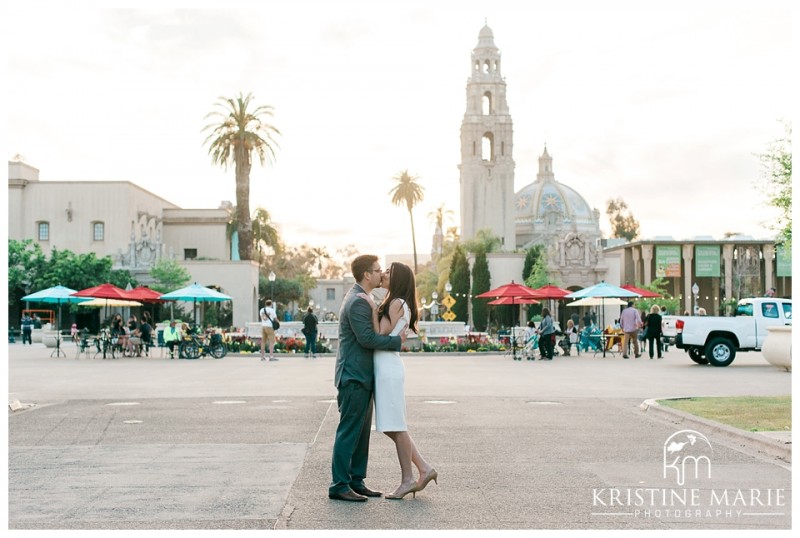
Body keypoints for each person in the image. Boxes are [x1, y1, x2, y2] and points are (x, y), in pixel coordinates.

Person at [329, 255, 405, 503]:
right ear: (366, 275)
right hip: (353, 376)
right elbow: (367, 339)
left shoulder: (364, 298)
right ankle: (340, 484)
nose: (381, 273)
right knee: (349, 431)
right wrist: (397, 342)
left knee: (362, 433)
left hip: (361, 375)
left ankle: (356, 480)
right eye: (377, 270)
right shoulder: (358, 302)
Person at [361, 262, 437, 500]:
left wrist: (371, 307)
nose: (383, 274)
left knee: (396, 426)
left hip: (388, 368)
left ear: (398, 279)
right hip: (387, 366)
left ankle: (408, 479)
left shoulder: (395, 303)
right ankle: (423, 468)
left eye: (388, 272)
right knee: (392, 426)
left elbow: (379, 334)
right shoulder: (398, 302)